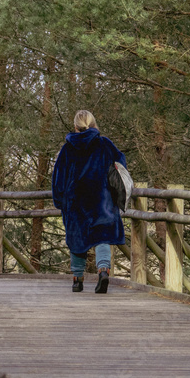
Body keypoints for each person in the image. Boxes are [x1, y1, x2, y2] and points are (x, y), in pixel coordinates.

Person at [51, 110, 128, 294]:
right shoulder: (104, 144)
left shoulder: (67, 149)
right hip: (102, 200)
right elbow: (120, 163)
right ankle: (103, 271)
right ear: (93, 124)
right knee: (102, 237)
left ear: (75, 126)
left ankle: (77, 280)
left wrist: (60, 201)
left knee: (77, 239)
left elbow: (58, 179)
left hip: (76, 202)